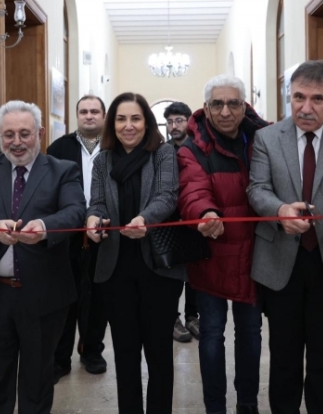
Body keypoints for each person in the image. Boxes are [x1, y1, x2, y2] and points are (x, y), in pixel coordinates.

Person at [247, 60, 323, 414]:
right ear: (290, 94)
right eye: (298, 97)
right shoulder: (267, 138)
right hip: (280, 264)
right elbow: (257, 189)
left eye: (317, 99)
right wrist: (280, 210)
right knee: (284, 357)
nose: (305, 107)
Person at [0, 100, 86, 414]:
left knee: (38, 380)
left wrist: (43, 227)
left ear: (39, 133)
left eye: (24, 133)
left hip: (44, 295)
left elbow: (75, 212)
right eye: (8, 134)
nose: (16, 142)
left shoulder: (62, 170)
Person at [86, 92, 185, 414]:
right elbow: (97, 202)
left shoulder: (164, 154)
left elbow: (167, 196)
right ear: (111, 124)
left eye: (136, 118)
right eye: (121, 119)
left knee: (159, 354)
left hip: (158, 269)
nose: (128, 126)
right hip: (115, 269)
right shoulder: (103, 160)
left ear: (147, 122)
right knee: (125, 354)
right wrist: (93, 219)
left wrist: (146, 219)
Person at [177, 76, 269, 414]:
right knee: (212, 335)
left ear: (245, 105)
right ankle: (214, 406)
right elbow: (192, 190)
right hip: (212, 255)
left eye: (234, 103)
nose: (226, 111)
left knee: (251, 333)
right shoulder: (191, 148)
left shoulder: (264, 139)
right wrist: (205, 212)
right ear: (206, 108)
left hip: (255, 256)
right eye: (217, 104)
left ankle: (247, 403)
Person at [47, 95, 109, 382]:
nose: (89, 116)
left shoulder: (114, 147)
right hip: (67, 237)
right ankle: (60, 357)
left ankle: (92, 350)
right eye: (83, 111)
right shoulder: (59, 148)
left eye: (94, 111)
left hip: (104, 234)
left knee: (97, 298)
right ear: (76, 115)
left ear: (104, 115)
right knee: (64, 298)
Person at [163, 100, 200, 343]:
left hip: (195, 216)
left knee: (195, 272)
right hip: (170, 219)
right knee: (174, 272)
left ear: (188, 121)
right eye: (169, 121)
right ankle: (173, 318)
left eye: (178, 120)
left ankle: (192, 316)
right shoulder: (162, 151)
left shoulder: (199, 147)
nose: (174, 126)